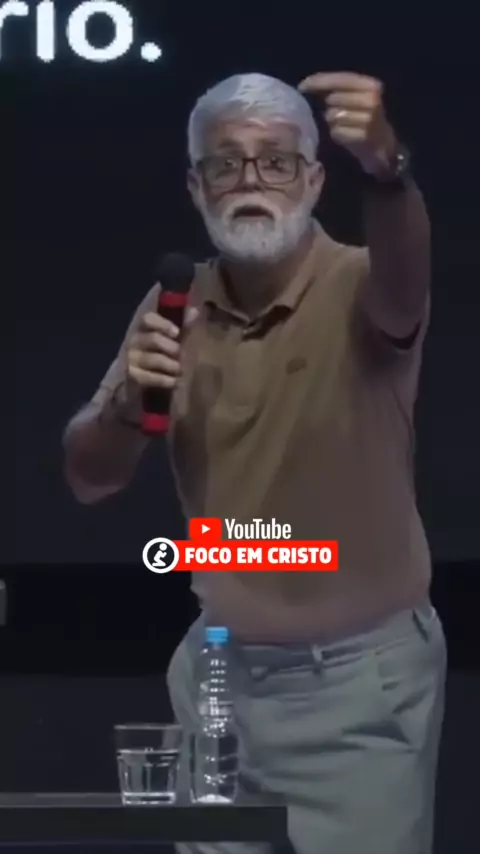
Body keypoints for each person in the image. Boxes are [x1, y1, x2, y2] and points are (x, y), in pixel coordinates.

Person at [63, 72, 446, 854]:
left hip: (359, 690)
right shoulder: (174, 304)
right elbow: (89, 476)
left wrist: (387, 169)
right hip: (220, 681)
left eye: (275, 161)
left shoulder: (362, 285)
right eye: (226, 162)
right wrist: (129, 405)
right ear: (196, 186)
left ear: (313, 180)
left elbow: (408, 275)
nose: (250, 181)